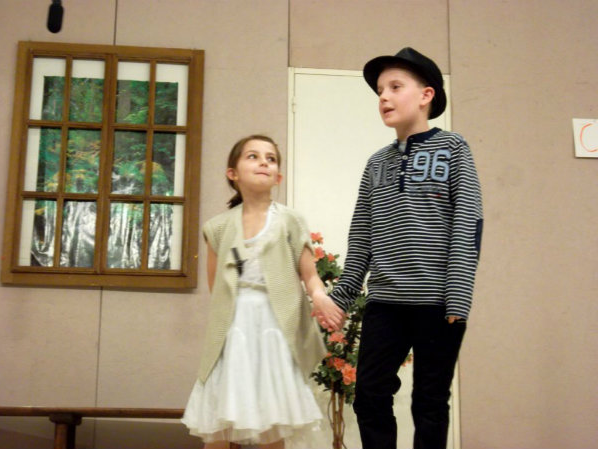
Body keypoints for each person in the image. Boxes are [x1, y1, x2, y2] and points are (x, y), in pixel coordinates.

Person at [329, 47, 483, 449]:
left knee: (429, 402)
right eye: (380, 90)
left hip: (438, 303)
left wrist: (458, 295)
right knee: (369, 395)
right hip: (385, 303)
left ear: (426, 95)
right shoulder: (376, 163)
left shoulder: (454, 148)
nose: (383, 96)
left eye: (395, 87)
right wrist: (342, 296)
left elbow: (468, 223)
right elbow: (361, 235)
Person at [182, 135, 345, 449]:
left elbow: (310, 276)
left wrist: (320, 297)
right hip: (233, 331)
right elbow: (218, 288)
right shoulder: (217, 227)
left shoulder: (291, 221)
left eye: (270, 159)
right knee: (219, 420)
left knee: (272, 420)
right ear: (233, 173)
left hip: (275, 329)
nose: (263, 163)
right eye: (253, 156)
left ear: (278, 177)